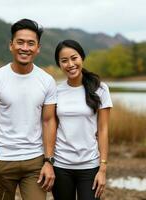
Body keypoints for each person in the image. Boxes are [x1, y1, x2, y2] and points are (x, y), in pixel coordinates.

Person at [0, 18, 57, 200]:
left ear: (38, 48)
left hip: (35, 161)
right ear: (11, 45)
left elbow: (49, 120)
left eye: (31, 43)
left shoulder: (47, 81)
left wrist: (48, 161)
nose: (25, 48)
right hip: (3, 160)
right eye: (20, 42)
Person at [52, 39, 113, 200]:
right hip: (60, 165)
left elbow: (103, 129)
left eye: (74, 58)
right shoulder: (55, 91)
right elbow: (51, 126)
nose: (70, 64)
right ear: (59, 64)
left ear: (82, 58)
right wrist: (48, 161)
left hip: (90, 165)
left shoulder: (100, 89)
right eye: (64, 61)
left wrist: (103, 168)